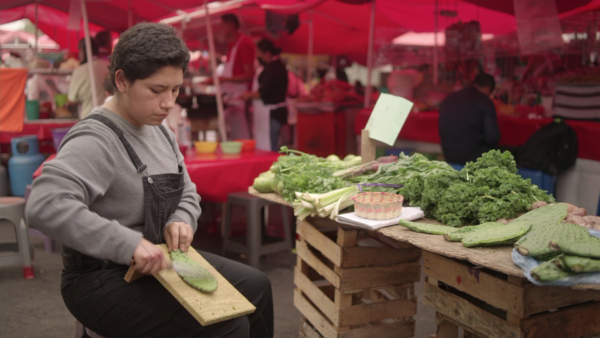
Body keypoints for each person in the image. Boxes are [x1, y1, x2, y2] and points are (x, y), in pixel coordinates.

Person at [26, 23, 273, 338]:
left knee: (258, 288)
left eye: (175, 90)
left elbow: (188, 191)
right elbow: (45, 205)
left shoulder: (160, 130)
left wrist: (182, 219)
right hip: (99, 279)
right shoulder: (95, 137)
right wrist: (128, 243)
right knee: (227, 324)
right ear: (122, 81)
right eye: (157, 91)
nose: (169, 103)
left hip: (159, 263)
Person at [206, 14, 255, 140]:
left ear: (231, 25)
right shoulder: (231, 44)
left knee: (241, 135)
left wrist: (224, 80)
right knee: (232, 134)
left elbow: (249, 74)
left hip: (240, 97)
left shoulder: (244, 43)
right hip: (230, 97)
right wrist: (218, 80)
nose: (220, 29)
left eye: (222, 26)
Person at [439, 73, 501, 165]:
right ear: (488, 89)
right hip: (472, 157)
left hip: (448, 155)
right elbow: (492, 137)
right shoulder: (484, 101)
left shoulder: (449, 98)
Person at [241, 39, 288, 151]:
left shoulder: (273, 68)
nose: (257, 56)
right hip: (274, 113)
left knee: (271, 147)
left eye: (258, 53)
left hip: (272, 114)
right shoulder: (276, 66)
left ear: (267, 53)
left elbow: (263, 92)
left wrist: (248, 95)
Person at [68, 38, 110, 119]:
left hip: (89, 118)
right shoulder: (108, 65)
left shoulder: (80, 71)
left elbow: (72, 100)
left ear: (83, 51)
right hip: (110, 116)